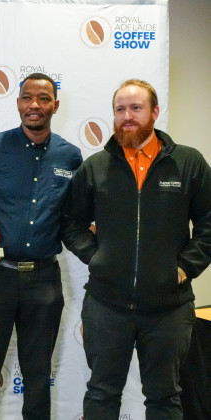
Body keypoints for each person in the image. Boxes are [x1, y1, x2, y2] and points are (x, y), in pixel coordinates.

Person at [62, 79, 211, 419]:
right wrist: (95, 258)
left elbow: (209, 223)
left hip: (168, 308)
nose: (127, 116)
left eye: (136, 108)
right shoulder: (96, 167)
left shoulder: (187, 164)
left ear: (155, 112)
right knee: (101, 395)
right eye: (120, 109)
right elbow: (70, 222)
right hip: (107, 305)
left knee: (165, 399)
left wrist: (186, 267)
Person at [0, 73, 83, 419]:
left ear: (55, 106)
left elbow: (76, 218)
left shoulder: (70, 157)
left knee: (38, 377)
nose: (34, 106)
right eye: (28, 98)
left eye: (43, 99)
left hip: (43, 281)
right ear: (18, 103)